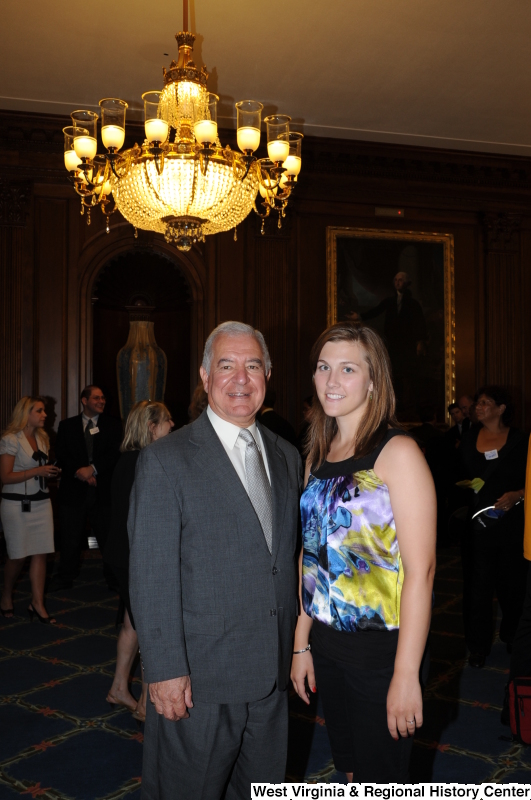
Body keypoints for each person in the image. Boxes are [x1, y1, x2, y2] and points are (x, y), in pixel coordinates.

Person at [129, 321, 302, 799]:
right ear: (205, 376)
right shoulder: (167, 459)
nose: (240, 378)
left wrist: (298, 649)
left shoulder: (287, 456)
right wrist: (163, 670)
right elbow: (151, 573)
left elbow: (284, 562)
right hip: (197, 681)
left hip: (271, 675)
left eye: (252, 365)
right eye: (226, 366)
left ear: (267, 374)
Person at [291, 322, 436, 783]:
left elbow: (422, 571)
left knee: (383, 780)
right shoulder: (318, 452)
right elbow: (308, 556)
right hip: (329, 645)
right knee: (351, 769)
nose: (332, 381)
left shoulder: (397, 452)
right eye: (323, 367)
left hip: (382, 651)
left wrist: (406, 674)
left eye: (348, 369)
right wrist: (301, 644)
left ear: (374, 381)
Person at [104, 401, 174, 721]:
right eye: (168, 421)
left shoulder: (126, 460)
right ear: (151, 427)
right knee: (150, 627)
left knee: (133, 623)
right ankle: (147, 704)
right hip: (136, 559)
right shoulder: (147, 460)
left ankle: (119, 688)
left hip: (120, 555)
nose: (172, 426)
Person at [459, 386, 528, 669]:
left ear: (501, 409)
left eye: (486, 402)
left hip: (511, 523)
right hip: (477, 525)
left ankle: (512, 634)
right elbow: (458, 474)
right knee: (477, 586)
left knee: (512, 584)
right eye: (478, 402)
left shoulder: (521, 439)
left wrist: (518, 494)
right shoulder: (468, 438)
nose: (479, 406)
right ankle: (477, 646)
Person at [50, 386, 122, 591]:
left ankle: (113, 578)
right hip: (74, 490)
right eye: (97, 398)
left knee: (108, 538)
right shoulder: (67, 425)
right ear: (84, 400)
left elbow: (115, 454)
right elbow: (62, 454)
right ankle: (65, 576)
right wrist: (79, 472)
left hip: (103, 491)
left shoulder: (113, 425)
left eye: (103, 398)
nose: (102, 401)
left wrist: (93, 469)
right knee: (70, 538)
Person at [0, 397, 61, 622]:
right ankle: (6, 595)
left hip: (41, 502)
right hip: (16, 504)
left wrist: (50, 472)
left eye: (44, 411)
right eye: (40, 411)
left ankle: (37, 603)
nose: (45, 415)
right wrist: (38, 472)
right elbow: (5, 476)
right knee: (17, 556)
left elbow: (40, 469)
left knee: (41, 552)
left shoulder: (42, 437)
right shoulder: (10, 439)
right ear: (26, 414)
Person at [349, 272, 427, 415]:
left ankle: (408, 405)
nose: (398, 283)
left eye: (401, 280)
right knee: (394, 374)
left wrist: (419, 342)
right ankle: (396, 405)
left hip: (407, 345)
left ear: (407, 283)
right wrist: (359, 316)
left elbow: (419, 323)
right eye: (396, 280)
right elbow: (376, 311)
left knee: (408, 375)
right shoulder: (389, 301)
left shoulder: (413, 304)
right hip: (393, 345)